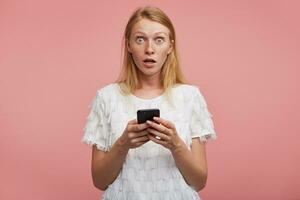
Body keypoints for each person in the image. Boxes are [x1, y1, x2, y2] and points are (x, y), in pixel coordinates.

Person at [81, 6, 217, 200]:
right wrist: (123, 144)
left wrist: (176, 144)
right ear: (128, 45)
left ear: (170, 46)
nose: (149, 49)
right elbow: (99, 181)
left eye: (158, 40)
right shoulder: (106, 97)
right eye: (140, 39)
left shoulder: (190, 97)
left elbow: (199, 181)